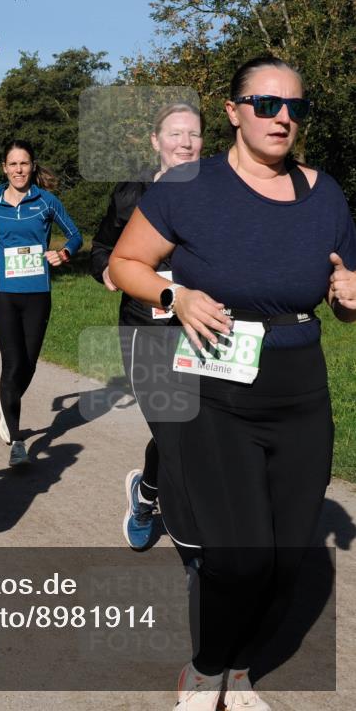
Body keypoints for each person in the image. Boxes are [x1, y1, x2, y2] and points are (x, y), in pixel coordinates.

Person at [109, 56, 356, 711]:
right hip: (216, 385)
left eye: (296, 107)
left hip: (300, 390)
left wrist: (350, 296)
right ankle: (205, 668)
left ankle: (241, 670)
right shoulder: (189, 186)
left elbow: (344, 296)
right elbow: (127, 262)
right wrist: (176, 295)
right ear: (233, 112)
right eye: (267, 104)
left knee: (285, 560)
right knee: (239, 557)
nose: (283, 118)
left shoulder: (326, 194)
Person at [90, 102, 204, 550]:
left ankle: (147, 491)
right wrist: (107, 268)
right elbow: (101, 246)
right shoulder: (130, 193)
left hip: (202, 329)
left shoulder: (220, 193)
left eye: (194, 134)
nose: (185, 143)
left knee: (194, 430)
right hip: (146, 329)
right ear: (156, 142)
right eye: (175, 134)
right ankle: (196, 549)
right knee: (174, 431)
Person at [0, 140, 83, 466]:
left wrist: (64, 253)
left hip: (38, 294)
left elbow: (75, 235)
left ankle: (6, 399)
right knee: (13, 362)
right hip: (3, 294)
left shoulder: (46, 202)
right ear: (4, 168)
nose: (19, 170)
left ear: (32, 166)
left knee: (28, 364)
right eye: (13, 164)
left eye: (24, 163)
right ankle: (17, 441)